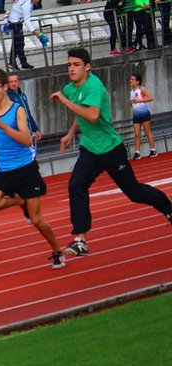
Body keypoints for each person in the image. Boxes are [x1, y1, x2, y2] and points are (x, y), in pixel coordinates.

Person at [49, 48, 172, 256]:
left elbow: (93, 115)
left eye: (76, 65)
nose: (71, 68)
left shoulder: (94, 86)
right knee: (76, 184)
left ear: (87, 67)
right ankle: (80, 239)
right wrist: (70, 134)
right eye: (69, 65)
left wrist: (66, 102)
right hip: (90, 149)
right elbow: (80, 115)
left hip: (111, 148)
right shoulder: (70, 89)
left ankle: (168, 208)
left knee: (134, 192)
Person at [0, 68, 65, 269]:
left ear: (4, 87)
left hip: (25, 169)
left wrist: (4, 126)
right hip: (4, 170)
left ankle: (57, 250)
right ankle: (19, 199)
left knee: (36, 220)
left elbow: (27, 140)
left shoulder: (17, 110)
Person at [2, 0, 48, 71]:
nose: (38, 1)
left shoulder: (29, 3)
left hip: (16, 22)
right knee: (19, 43)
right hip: (15, 23)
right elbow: (27, 21)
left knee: (17, 43)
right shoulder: (27, 5)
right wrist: (38, 34)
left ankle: (17, 62)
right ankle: (19, 62)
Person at [129, 73, 157, 159]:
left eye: (132, 79)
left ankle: (153, 150)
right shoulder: (131, 91)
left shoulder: (142, 89)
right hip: (136, 115)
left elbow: (151, 98)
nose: (130, 80)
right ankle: (137, 153)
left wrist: (139, 100)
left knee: (147, 132)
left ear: (137, 81)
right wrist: (132, 103)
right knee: (137, 134)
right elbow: (133, 102)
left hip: (144, 113)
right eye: (130, 79)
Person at [7, 73, 40, 144]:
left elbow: (28, 113)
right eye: (11, 82)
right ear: (8, 84)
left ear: (18, 82)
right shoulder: (8, 98)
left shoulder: (22, 95)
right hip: (20, 135)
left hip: (30, 133)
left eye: (15, 81)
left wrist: (36, 129)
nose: (13, 84)